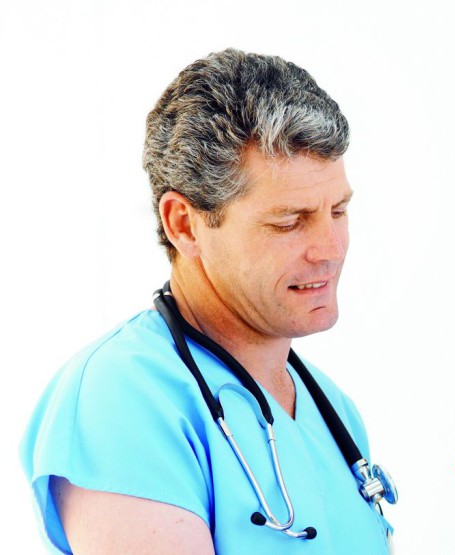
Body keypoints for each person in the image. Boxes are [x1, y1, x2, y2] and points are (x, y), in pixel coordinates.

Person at [20, 49, 396, 553]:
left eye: (338, 211)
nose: (330, 249)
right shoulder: (121, 399)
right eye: (289, 222)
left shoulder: (333, 412)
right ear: (184, 224)